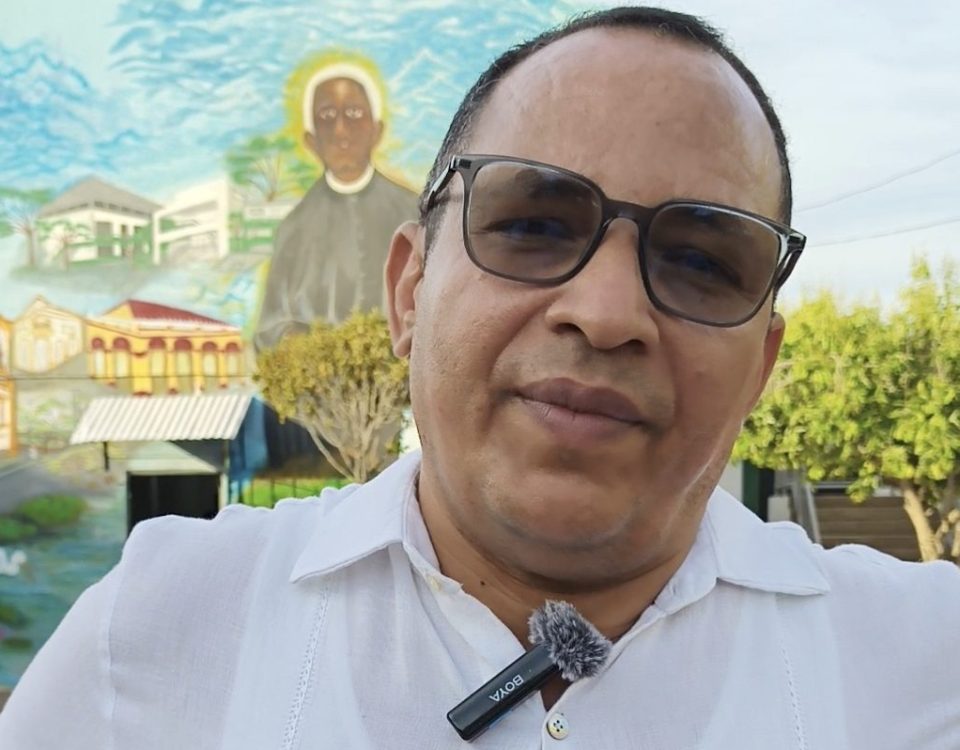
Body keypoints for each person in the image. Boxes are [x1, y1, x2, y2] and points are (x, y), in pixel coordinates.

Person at [3, 7, 959, 749]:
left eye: (703, 262)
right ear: (408, 290)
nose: (608, 312)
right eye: (533, 225)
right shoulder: (160, 626)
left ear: (761, 365)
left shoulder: (924, 666)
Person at [253, 60, 418, 351]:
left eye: (354, 114)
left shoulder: (413, 213)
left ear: (376, 131)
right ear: (311, 141)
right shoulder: (294, 229)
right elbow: (268, 330)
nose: (341, 130)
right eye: (327, 116)